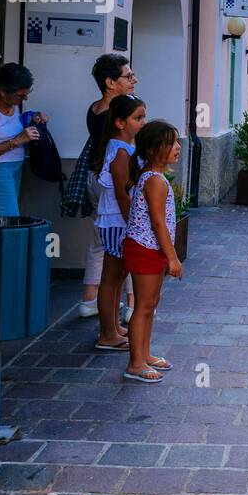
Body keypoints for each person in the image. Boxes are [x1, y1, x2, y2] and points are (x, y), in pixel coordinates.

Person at [76, 55, 137, 319]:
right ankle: (133, 304)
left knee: (100, 241)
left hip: (94, 177)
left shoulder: (94, 109)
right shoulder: (119, 114)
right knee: (132, 238)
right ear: (110, 82)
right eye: (128, 76)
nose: (134, 80)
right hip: (114, 181)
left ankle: (89, 300)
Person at [122, 120, 183, 384]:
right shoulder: (155, 181)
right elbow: (158, 223)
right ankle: (135, 364)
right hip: (145, 248)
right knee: (143, 307)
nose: (178, 147)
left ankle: (144, 354)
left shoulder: (154, 177)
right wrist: (172, 257)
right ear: (152, 149)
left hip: (151, 248)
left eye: (177, 142)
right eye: (171, 143)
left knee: (150, 305)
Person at [92, 95, 146, 351]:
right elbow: (123, 193)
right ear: (120, 122)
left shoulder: (124, 148)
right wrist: (133, 223)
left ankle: (113, 326)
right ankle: (106, 333)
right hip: (117, 222)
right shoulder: (120, 152)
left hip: (119, 221)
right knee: (111, 279)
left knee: (118, 275)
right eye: (137, 118)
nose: (142, 123)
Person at [0, 63, 46, 217]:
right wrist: (17, 140)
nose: (24, 98)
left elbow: (9, 127)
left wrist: (32, 117)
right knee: (10, 219)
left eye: (27, 93)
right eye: (20, 95)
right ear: (2, 92)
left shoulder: (12, 103)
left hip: (15, 167)